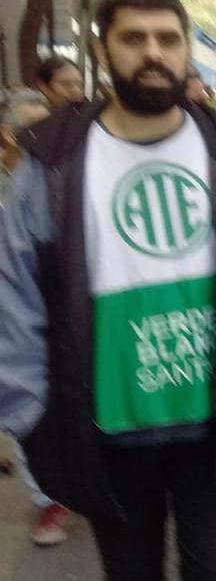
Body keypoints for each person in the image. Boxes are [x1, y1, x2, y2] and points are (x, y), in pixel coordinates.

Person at [0, 0, 216, 580]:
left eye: (168, 39)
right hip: (106, 430)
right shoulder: (51, 161)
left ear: (187, 49)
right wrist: (29, 411)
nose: (153, 53)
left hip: (213, 425)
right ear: (102, 50)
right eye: (134, 39)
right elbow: (17, 295)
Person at [0, 89, 76, 546]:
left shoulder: (61, 179)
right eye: (36, 129)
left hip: (52, 316)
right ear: (8, 135)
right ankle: (50, 497)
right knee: (22, 405)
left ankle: (63, 489)